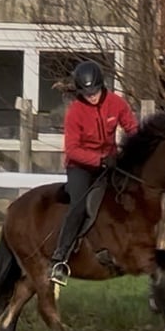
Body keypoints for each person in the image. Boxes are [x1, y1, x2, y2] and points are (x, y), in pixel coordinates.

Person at [49, 60, 138, 285]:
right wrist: (99, 160)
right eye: (87, 94)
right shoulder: (75, 113)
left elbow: (133, 129)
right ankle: (60, 258)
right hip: (81, 167)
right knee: (79, 207)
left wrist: (132, 150)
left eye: (95, 92)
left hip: (110, 162)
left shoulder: (116, 103)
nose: (92, 97)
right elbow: (72, 150)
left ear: (102, 86)